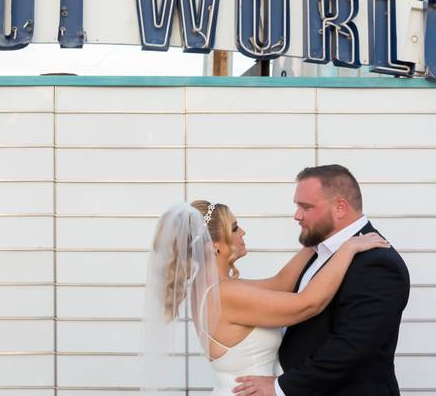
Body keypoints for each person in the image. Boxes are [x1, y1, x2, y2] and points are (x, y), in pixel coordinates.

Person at [141, 187, 389, 396]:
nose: (243, 233)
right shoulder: (227, 294)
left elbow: (281, 283)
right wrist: (349, 247)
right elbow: (308, 304)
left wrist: (319, 240)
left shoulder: (208, 287)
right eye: (235, 227)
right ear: (214, 244)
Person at [235, 165, 411, 395]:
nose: (297, 215)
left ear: (340, 208)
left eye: (305, 207)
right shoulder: (318, 249)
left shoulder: (377, 264)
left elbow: (351, 348)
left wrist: (281, 387)